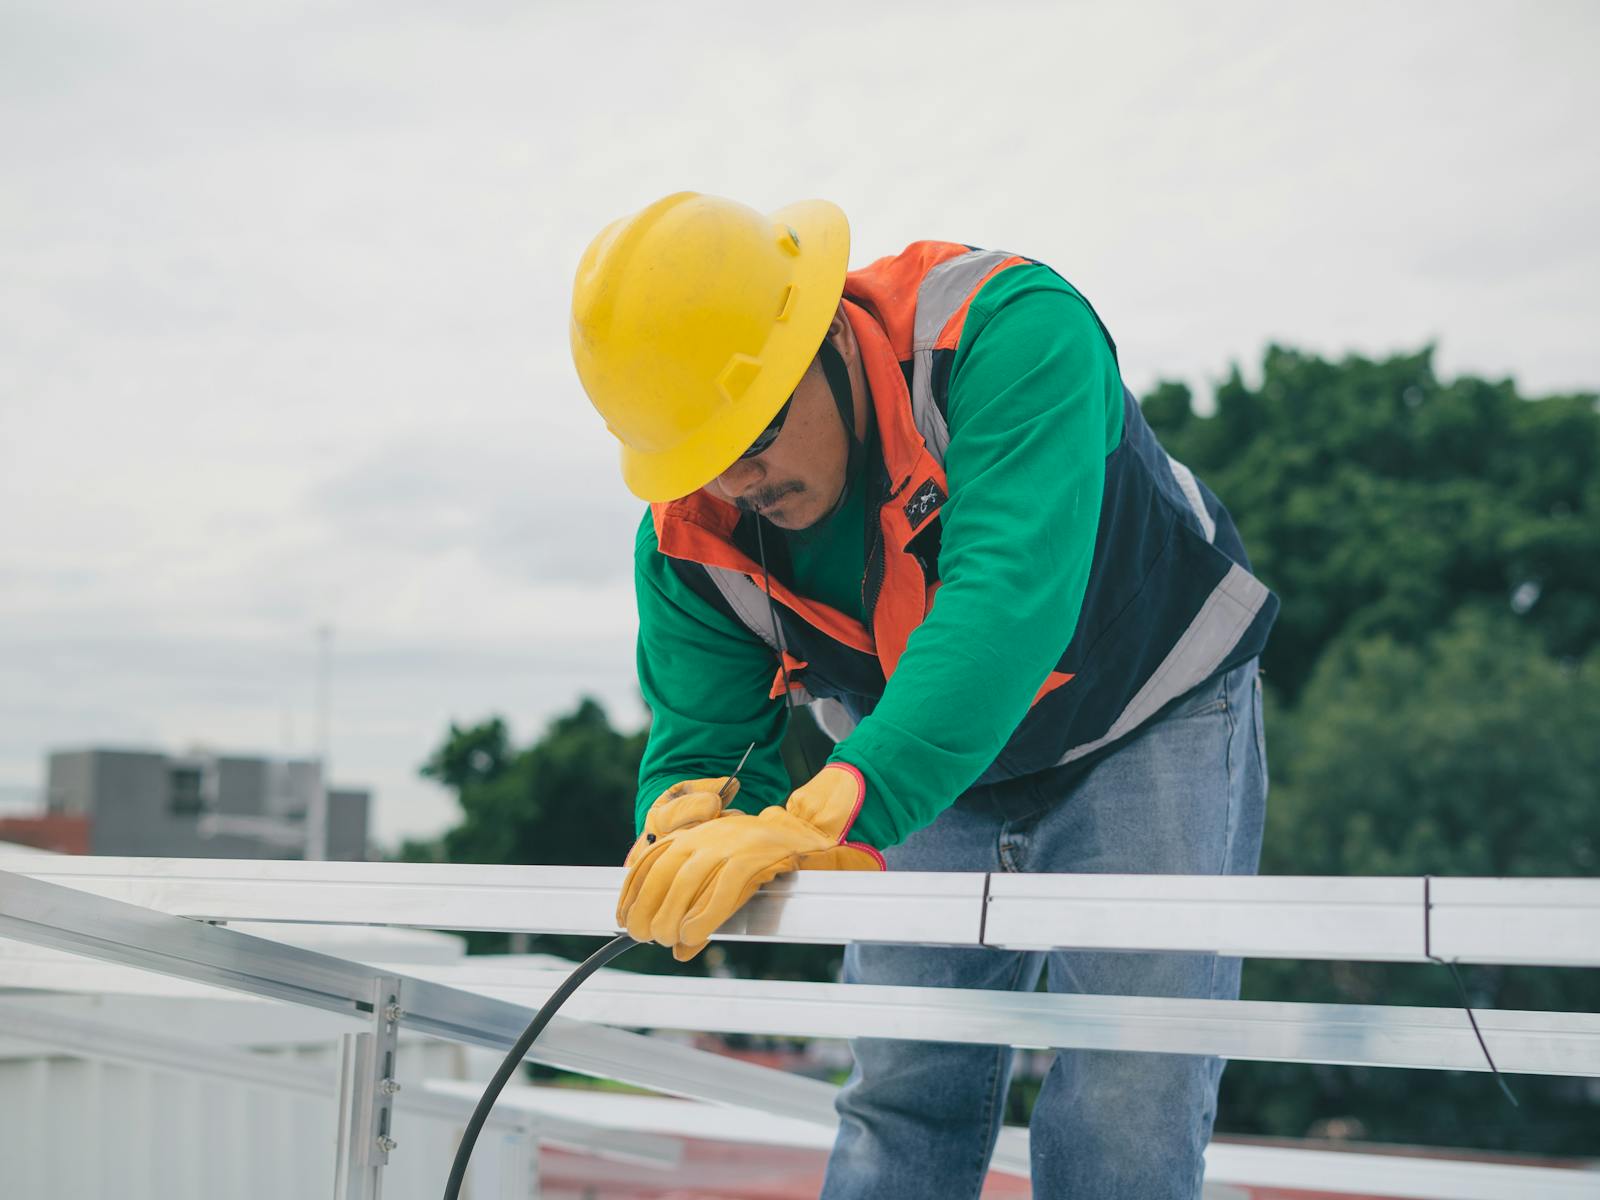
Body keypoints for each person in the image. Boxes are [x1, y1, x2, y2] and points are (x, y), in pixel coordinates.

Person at [569, 191, 1276, 1199]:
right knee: (904, 1086)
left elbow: (1002, 612)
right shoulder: (692, 536)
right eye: (705, 453)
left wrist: (833, 809)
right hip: (912, 760)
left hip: (1143, 713)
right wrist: (686, 820)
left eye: (757, 431)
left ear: (824, 338)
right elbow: (705, 745)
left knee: (1130, 1095)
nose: (739, 477)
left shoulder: (1009, 333)